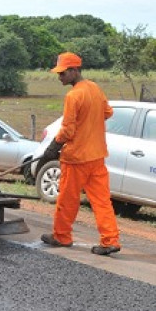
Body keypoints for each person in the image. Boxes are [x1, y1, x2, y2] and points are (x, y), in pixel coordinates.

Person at [38, 52, 121, 256]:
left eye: (63, 73)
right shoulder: (94, 88)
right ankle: (110, 240)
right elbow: (108, 112)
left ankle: (61, 236)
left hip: (76, 158)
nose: (60, 77)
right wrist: (91, 118)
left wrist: (53, 147)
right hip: (97, 156)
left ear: (75, 71)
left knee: (67, 199)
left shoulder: (73, 95)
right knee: (102, 202)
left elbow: (67, 130)